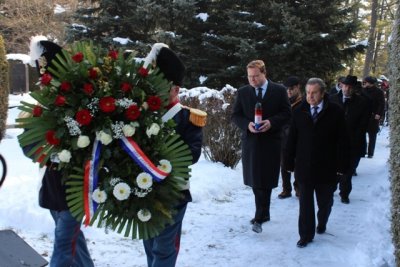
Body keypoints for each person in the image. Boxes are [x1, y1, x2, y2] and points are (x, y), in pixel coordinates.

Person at [22, 37, 95, 267]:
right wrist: (46, 152)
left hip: (76, 184)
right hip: (54, 184)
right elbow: (29, 145)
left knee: (63, 244)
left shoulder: (80, 101)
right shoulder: (40, 106)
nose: (45, 83)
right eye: (44, 78)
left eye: (49, 77)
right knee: (73, 243)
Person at [141, 43, 204, 267]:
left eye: (159, 87)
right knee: (149, 246)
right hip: (144, 193)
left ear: (175, 89)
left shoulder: (188, 118)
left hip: (173, 195)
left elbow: (193, 154)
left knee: (164, 249)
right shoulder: (141, 116)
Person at [284, 78, 349, 248]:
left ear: (322, 93)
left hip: (327, 167)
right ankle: (305, 235)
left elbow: (343, 141)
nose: (310, 96)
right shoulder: (299, 111)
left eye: (314, 93)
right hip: (304, 166)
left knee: (325, 202)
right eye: (307, 93)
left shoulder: (335, 111)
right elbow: (292, 139)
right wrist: (288, 162)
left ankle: (322, 222)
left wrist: (342, 166)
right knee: (305, 203)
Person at [232, 60, 291, 234]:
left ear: (264, 73)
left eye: (256, 76)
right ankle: (262, 213)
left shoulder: (279, 90)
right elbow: (236, 115)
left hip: (272, 142)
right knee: (256, 180)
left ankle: (261, 215)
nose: (253, 80)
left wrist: (271, 122)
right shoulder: (243, 92)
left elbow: (287, 114)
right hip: (251, 142)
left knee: (266, 180)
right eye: (250, 76)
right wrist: (247, 124)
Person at [330, 75, 370, 204]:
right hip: (335, 142)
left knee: (348, 170)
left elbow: (363, 125)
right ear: (341, 85)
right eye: (345, 86)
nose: (347, 89)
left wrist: (350, 140)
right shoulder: (332, 99)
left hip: (354, 142)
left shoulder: (362, 102)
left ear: (354, 89)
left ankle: (344, 193)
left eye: (350, 87)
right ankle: (331, 188)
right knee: (333, 168)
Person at [278, 76, 303, 199]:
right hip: (284, 138)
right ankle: (286, 189)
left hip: (299, 139)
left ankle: (298, 188)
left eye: (291, 88)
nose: (289, 91)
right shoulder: (283, 102)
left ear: (298, 87)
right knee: (284, 164)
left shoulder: (304, 102)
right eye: (286, 89)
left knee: (298, 164)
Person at [362, 76, 385, 158]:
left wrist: (379, 114)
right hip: (364, 115)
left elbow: (381, 104)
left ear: (370, 83)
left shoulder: (379, 92)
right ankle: (363, 151)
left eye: (366, 82)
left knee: (372, 135)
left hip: (374, 115)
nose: (364, 83)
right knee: (362, 134)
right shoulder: (363, 90)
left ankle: (370, 153)